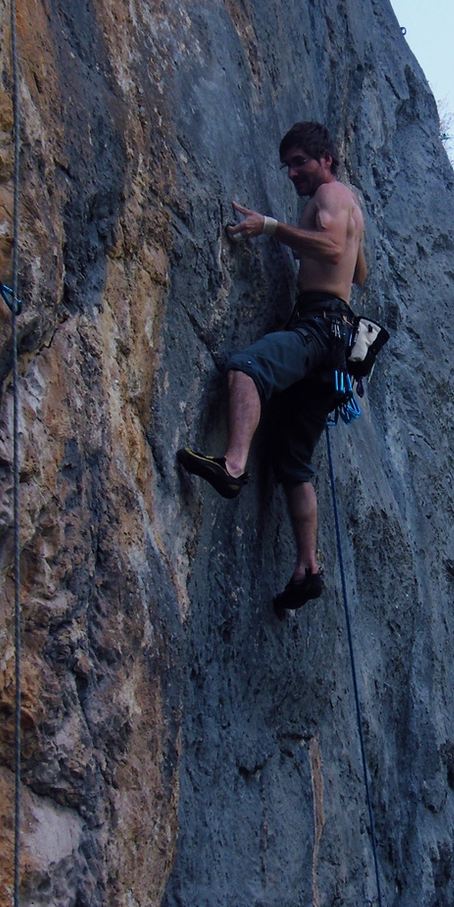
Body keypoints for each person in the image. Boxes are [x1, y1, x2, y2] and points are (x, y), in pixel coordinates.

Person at [177, 121, 368, 614]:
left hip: (320, 325)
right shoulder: (350, 204)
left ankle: (233, 465)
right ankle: (307, 567)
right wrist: (338, 252)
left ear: (326, 158)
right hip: (340, 343)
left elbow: (328, 247)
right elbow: (358, 267)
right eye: (287, 165)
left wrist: (269, 227)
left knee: (246, 367)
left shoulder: (331, 192)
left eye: (300, 161)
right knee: (293, 462)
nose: (292, 173)